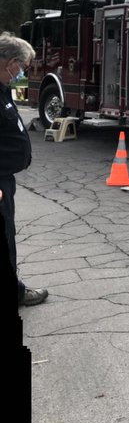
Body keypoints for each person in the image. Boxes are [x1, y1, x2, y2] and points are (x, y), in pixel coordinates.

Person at [0, 33, 48, 307]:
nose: (21, 73)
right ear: (11, 62)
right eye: (22, 67)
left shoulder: (3, 88)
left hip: (6, 178)